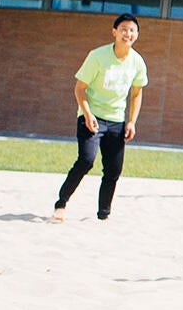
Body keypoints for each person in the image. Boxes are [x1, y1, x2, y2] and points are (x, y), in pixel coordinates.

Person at [52, 13, 150, 223]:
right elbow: (80, 89)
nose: (128, 33)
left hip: (116, 121)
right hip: (91, 116)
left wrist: (131, 121)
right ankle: (61, 203)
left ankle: (103, 215)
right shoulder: (97, 56)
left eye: (132, 30)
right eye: (123, 29)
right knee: (86, 160)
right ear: (114, 32)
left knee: (114, 169)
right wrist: (87, 115)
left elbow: (136, 93)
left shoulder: (137, 62)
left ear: (137, 35)